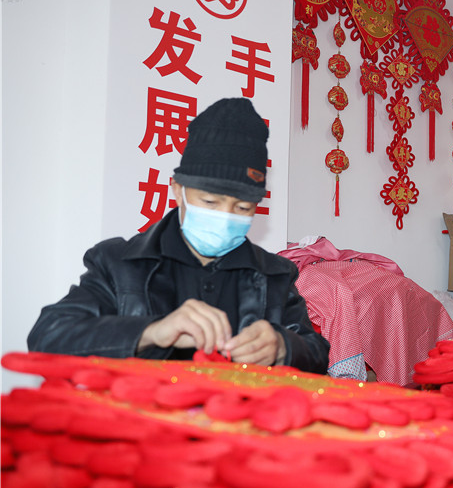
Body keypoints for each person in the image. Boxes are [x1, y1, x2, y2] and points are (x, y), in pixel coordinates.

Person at [28, 98, 330, 374]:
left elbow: (317, 354)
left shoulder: (274, 275)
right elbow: (48, 336)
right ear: (177, 190)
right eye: (210, 202)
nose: (226, 217)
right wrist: (151, 332)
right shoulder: (119, 263)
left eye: (242, 207)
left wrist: (282, 347)